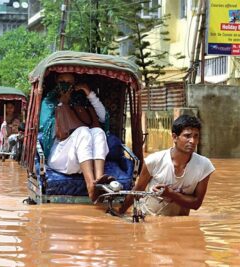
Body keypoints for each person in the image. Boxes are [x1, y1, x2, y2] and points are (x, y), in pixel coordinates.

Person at [118, 114, 215, 216]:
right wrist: (120, 213)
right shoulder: (154, 161)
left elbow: (196, 204)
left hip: (180, 224)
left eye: (196, 136)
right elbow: (137, 191)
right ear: (174, 137)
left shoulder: (204, 165)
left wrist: (170, 194)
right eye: (187, 136)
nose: (193, 141)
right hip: (149, 220)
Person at [39, 73, 109, 202]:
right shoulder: (48, 101)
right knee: (83, 131)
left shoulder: (81, 101)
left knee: (98, 132)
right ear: (56, 81)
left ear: (75, 83)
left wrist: (89, 93)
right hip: (60, 155)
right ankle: (90, 186)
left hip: (85, 156)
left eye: (69, 82)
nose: (65, 84)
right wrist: (62, 105)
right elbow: (45, 131)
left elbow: (103, 118)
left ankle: (100, 182)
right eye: (62, 81)